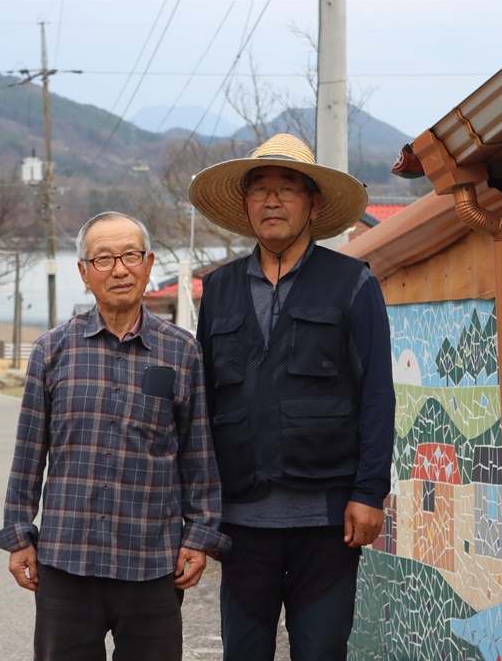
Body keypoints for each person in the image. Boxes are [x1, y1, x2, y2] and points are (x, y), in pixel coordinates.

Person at [0, 211, 230, 661]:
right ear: (84, 272)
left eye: (130, 255)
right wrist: (19, 535)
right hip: (65, 560)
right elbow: (28, 454)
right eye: (103, 259)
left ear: (149, 263)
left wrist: (199, 536)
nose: (119, 269)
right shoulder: (52, 350)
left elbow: (198, 455)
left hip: (152, 561)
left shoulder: (182, 351)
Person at [191, 133, 396, 660]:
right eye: (260, 190)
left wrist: (370, 492)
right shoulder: (218, 289)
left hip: (328, 520)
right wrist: (200, 510)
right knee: (244, 652)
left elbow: (377, 393)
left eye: (288, 188)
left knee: (321, 652)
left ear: (314, 203)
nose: (272, 200)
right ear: (245, 205)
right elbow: (203, 404)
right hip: (242, 521)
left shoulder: (352, 283)